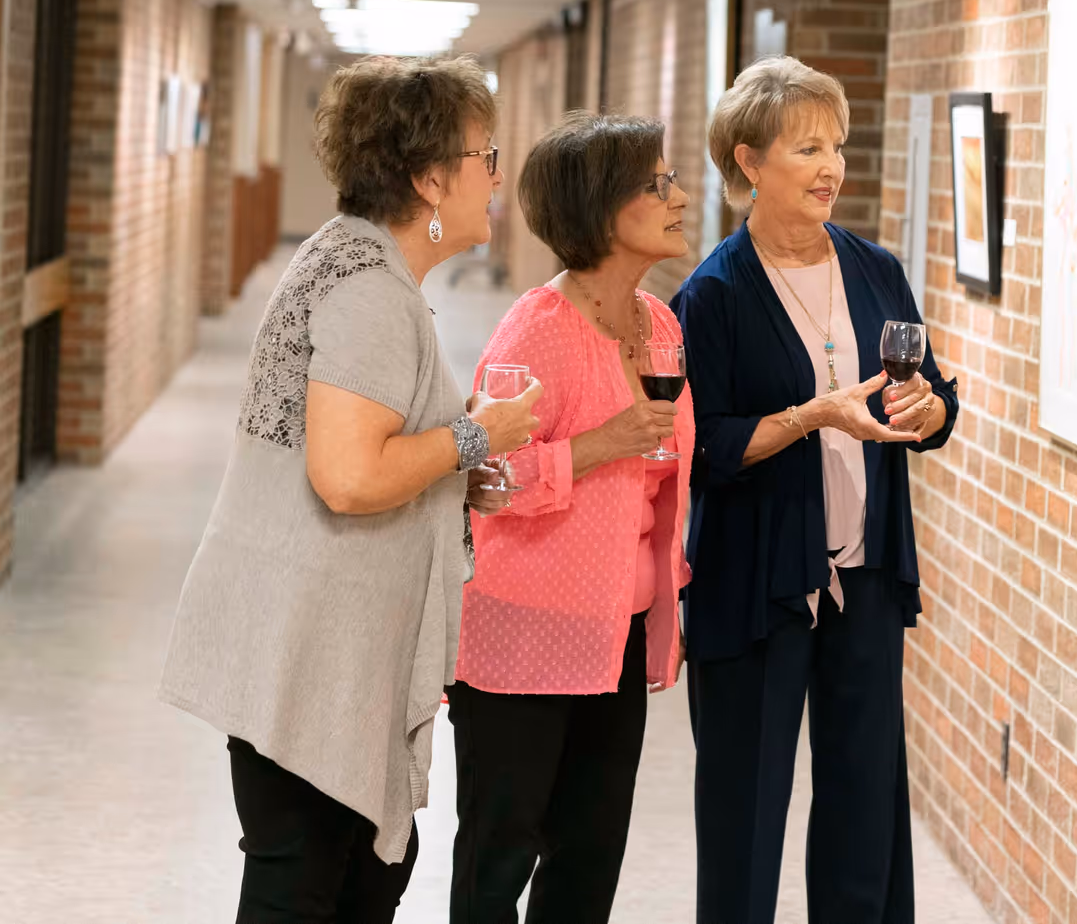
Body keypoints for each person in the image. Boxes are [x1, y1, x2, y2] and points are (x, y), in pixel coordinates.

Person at [160, 55, 543, 923]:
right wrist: (480, 432)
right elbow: (349, 476)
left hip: (311, 644)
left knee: (341, 884)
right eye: (484, 155)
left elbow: (373, 448)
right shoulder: (369, 291)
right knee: (308, 892)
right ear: (428, 177)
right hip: (310, 655)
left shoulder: (352, 261)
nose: (495, 176)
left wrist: (452, 467)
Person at [673, 56, 961, 924]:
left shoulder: (875, 269)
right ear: (750, 162)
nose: (832, 165)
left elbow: (938, 399)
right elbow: (705, 446)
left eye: (836, 144)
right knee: (745, 818)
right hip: (755, 586)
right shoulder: (714, 293)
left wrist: (927, 408)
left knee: (864, 807)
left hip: (866, 579)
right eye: (807, 147)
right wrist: (813, 415)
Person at [448, 113, 693, 924]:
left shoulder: (661, 327)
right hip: (522, 634)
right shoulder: (537, 329)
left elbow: (663, 486)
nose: (680, 196)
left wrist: (669, 601)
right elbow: (482, 478)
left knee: (589, 863)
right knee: (498, 859)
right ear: (600, 207)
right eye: (657, 184)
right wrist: (598, 446)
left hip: (614, 636)